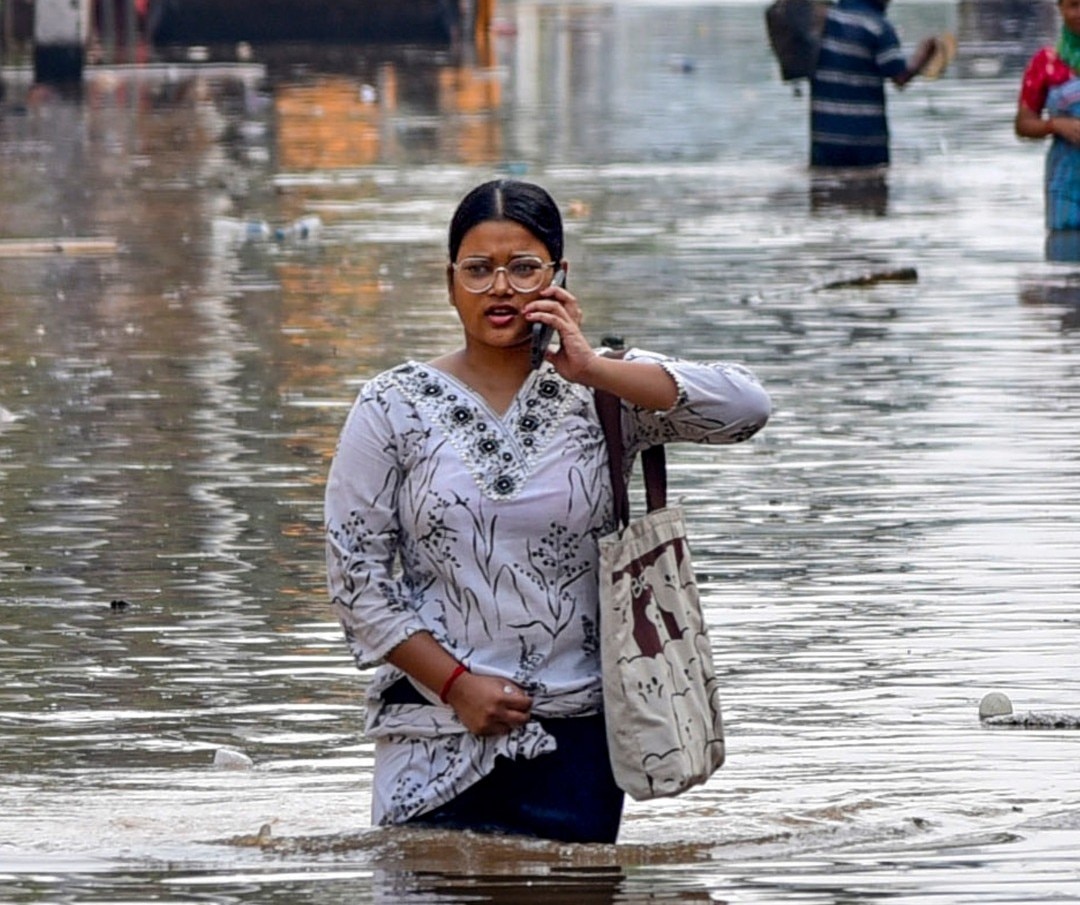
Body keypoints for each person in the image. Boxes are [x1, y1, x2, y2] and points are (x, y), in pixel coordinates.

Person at [324, 179, 771, 844]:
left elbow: (746, 408)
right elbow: (358, 581)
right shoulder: (391, 405)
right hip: (430, 738)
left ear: (560, 277)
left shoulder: (605, 393)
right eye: (478, 270)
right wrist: (456, 685)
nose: (500, 287)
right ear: (450, 284)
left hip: (579, 745)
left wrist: (592, 368)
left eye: (523, 267)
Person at [810, 0, 938, 169]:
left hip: (825, 139)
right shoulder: (878, 27)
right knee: (872, 190)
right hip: (867, 143)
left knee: (824, 187)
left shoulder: (822, 20)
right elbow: (900, 77)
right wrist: (924, 55)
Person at [1015, 0, 1080, 231]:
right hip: (1065, 184)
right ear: (1060, 8)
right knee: (1064, 256)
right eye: (1074, 5)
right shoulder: (1045, 63)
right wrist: (1055, 125)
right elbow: (1023, 125)